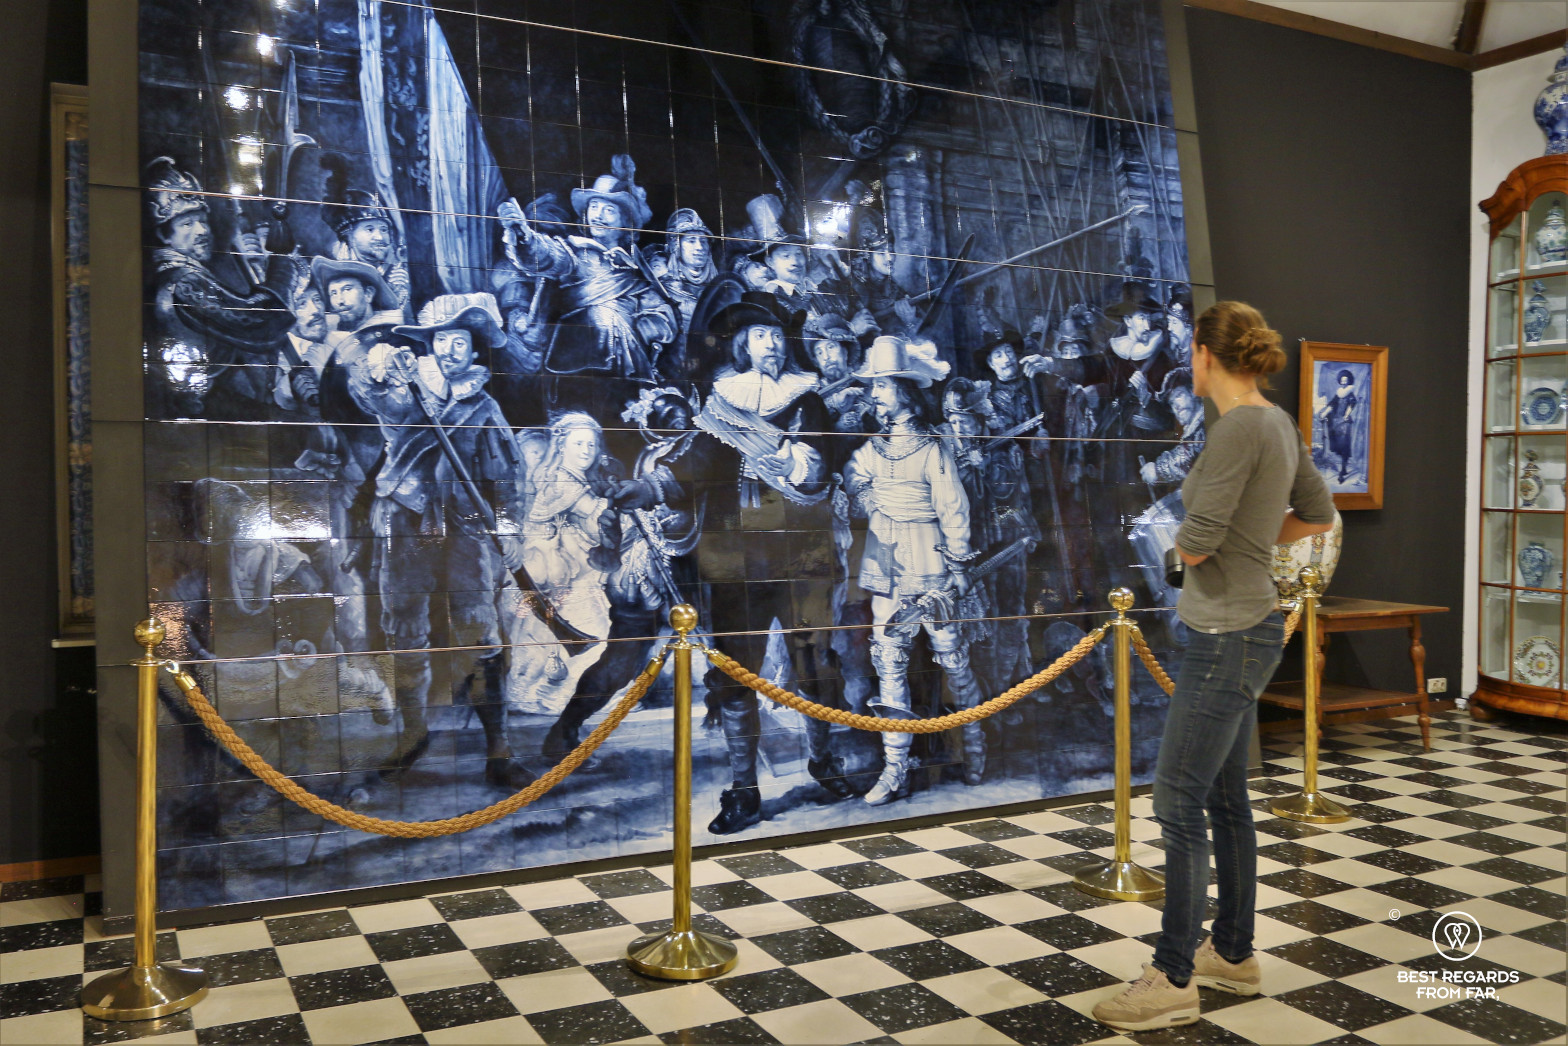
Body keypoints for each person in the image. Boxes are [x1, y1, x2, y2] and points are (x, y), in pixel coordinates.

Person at [1093, 302, 1335, 1033]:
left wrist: (1181, 554)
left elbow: (1196, 540)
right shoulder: (1275, 422)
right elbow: (1316, 512)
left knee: (1177, 801)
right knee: (1225, 801)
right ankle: (1231, 953)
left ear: (1202, 353)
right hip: (1245, 626)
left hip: (1228, 633)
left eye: (1189, 350)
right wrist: (1253, 542)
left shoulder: (1236, 429)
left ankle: (1172, 977)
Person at [351, 293, 536, 790]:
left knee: (479, 630)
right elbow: (370, 396)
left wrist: (508, 528)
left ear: (474, 350)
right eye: (440, 340)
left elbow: (507, 477)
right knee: (404, 627)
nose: (449, 350)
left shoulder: (484, 406)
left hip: (467, 528)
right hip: (405, 521)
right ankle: (412, 735)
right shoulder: (405, 388)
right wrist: (374, 368)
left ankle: (499, 749)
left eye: (459, 341)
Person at [844, 336, 986, 803]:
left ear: (904, 391)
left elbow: (953, 508)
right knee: (888, 664)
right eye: (875, 386)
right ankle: (895, 767)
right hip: (884, 564)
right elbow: (853, 478)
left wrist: (957, 561)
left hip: (929, 561)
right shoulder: (873, 447)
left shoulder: (932, 448)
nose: (875, 394)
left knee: (952, 658)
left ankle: (974, 744)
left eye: (882, 386)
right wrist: (872, 498)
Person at [497, 154, 677, 381]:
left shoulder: (633, 266)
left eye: (609, 210)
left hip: (628, 366)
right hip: (579, 367)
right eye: (594, 206)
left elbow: (659, 308)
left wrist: (647, 327)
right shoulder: (575, 251)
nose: (598, 215)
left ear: (625, 222)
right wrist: (524, 235)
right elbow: (546, 255)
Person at [143, 156, 295, 420]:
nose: (201, 231)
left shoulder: (178, 274)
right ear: (163, 235)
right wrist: (282, 267)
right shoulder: (183, 282)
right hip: (200, 408)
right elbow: (256, 321)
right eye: (187, 224)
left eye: (202, 220)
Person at [1318, 369, 1358, 482]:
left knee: (1344, 446)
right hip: (1336, 421)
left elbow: (1351, 405)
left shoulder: (1350, 393)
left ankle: (1343, 470)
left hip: (1344, 422)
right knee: (1338, 447)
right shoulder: (1338, 393)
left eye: (1346, 380)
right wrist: (1325, 413)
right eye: (1342, 380)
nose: (1344, 382)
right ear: (1340, 381)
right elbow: (1332, 404)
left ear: (1348, 381)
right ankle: (1343, 469)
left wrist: (1346, 415)